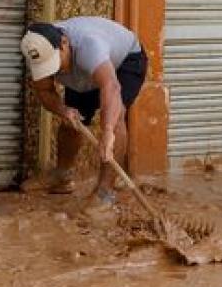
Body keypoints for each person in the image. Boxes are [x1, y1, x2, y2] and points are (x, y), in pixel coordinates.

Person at [20, 16, 147, 211]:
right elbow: (44, 91)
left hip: (124, 62)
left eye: (55, 63)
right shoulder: (38, 51)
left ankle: (105, 191)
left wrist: (107, 131)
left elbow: (110, 87)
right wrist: (63, 110)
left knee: (116, 117)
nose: (54, 70)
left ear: (64, 43)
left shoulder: (90, 45)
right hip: (81, 72)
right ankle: (62, 176)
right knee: (71, 122)